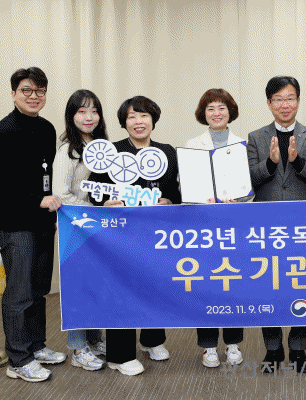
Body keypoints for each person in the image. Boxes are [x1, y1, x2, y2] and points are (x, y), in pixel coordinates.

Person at [89, 95, 181, 376]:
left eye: (144, 116)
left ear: (153, 119)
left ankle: (152, 340)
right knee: (122, 289)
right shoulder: (112, 151)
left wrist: (169, 200)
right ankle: (119, 355)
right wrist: (104, 203)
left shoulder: (167, 151)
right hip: (121, 234)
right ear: (124, 122)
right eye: (131, 117)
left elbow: (175, 190)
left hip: (156, 233)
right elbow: (94, 190)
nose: (138, 121)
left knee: (155, 285)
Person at [0, 67, 65, 382]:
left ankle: (36, 346)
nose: (34, 96)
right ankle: (18, 360)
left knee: (38, 291)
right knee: (19, 294)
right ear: (14, 93)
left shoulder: (46, 128)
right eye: (27, 90)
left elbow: (47, 174)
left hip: (43, 223)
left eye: (40, 91)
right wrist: (37, 200)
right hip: (16, 225)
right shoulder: (3, 131)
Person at [247, 76, 306, 374]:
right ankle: (272, 348)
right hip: (265, 223)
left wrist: (297, 162)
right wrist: (270, 163)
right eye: (278, 99)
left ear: (298, 101)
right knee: (267, 285)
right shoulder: (256, 137)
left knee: (301, 282)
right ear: (269, 103)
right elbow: (247, 180)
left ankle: (298, 348)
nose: (285, 104)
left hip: (302, 224)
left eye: (290, 98)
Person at [185, 88, 245, 368]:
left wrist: (238, 199)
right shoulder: (192, 144)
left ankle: (233, 343)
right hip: (204, 224)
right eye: (211, 108)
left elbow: (249, 186)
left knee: (231, 283)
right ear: (203, 114)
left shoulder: (242, 143)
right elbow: (186, 185)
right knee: (206, 284)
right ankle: (208, 346)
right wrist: (201, 199)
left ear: (230, 111)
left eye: (222, 107)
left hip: (233, 225)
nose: (217, 113)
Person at [53, 89, 109, 371]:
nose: (89, 117)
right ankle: (77, 348)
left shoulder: (101, 146)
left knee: (96, 284)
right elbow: (61, 194)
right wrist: (94, 210)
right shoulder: (68, 150)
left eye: (94, 111)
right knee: (79, 287)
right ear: (71, 116)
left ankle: (94, 339)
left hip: (97, 226)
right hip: (76, 227)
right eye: (82, 111)